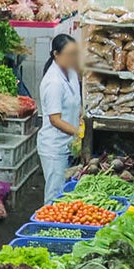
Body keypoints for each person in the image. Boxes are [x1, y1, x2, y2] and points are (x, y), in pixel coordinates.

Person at [37, 33, 82, 202]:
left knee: (65, 194)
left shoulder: (70, 72)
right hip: (54, 148)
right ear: (56, 54)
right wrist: (79, 133)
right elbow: (54, 119)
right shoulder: (53, 82)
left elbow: (76, 102)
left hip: (68, 145)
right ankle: (46, 227)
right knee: (54, 195)